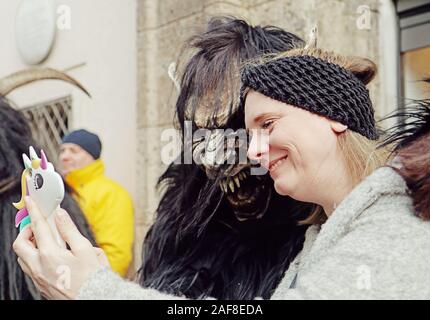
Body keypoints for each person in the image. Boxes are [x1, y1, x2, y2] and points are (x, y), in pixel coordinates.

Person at [13, 47, 430, 299]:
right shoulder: (324, 234)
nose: (253, 150)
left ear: (333, 118)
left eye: (268, 124)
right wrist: (102, 279)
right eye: (249, 134)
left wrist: (94, 291)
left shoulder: (392, 226)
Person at [139, 16, 313, 300]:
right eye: (204, 131)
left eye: (240, 127)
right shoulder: (185, 225)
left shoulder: (325, 223)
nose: (215, 158)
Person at [59, 129, 134, 277]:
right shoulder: (60, 191)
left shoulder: (111, 193)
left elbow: (116, 255)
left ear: (92, 156)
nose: (64, 156)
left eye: (74, 151)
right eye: (62, 150)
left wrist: (97, 288)